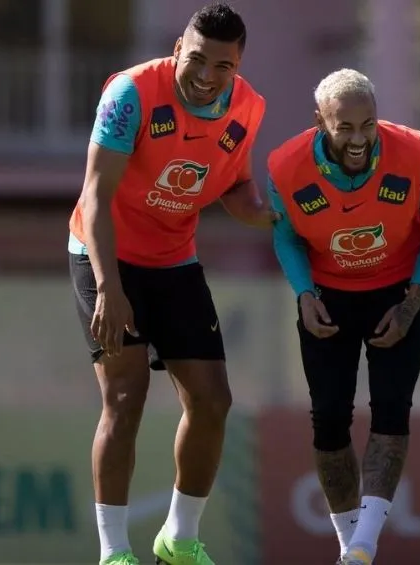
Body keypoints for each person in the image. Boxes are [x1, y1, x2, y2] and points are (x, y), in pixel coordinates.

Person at [67, 4, 274, 564]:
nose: (207, 76)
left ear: (239, 65)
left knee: (213, 401)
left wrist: (270, 213)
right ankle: (114, 554)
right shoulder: (131, 93)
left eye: (223, 65)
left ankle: (179, 541)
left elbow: (237, 188)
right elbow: (95, 197)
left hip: (173, 258)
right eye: (198, 59)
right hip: (103, 253)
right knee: (126, 398)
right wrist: (110, 289)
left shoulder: (248, 108)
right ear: (178, 49)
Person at [266, 68, 420, 565]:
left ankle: (365, 545)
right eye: (343, 127)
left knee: (392, 412)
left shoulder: (415, 153)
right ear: (318, 122)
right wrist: (304, 294)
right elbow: (285, 236)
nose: (358, 139)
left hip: (398, 293)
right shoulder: (285, 166)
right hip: (327, 296)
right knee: (328, 420)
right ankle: (349, 547)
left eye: (367, 125)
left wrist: (413, 300)